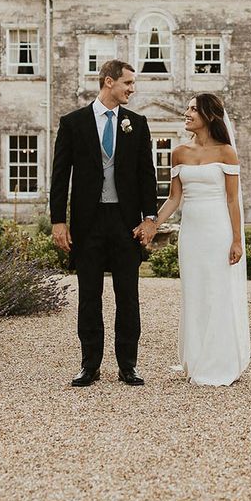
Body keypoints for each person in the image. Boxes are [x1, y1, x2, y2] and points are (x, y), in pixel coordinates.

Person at [50, 60, 158, 387]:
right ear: (109, 82)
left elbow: (146, 176)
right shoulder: (73, 123)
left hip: (126, 224)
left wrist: (150, 218)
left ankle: (128, 365)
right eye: (127, 83)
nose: (132, 89)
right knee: (89, 296)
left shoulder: (136, 124)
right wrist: (58, 221)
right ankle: (89, 365)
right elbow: (59, 176)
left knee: (128, 295)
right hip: (88, 223)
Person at [139, 94, 250, 386]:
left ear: (209, 116)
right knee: (195, 292)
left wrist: (237, 240)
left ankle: (220, 362)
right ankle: (197, 357)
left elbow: (232, 200)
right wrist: (152, 223)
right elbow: (174, 198)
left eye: (192, 109)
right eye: (187, 108)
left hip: (219, 231)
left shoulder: (227, 153)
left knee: (217, 291)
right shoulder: (179, 153)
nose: (186, 113)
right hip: (192, 233)